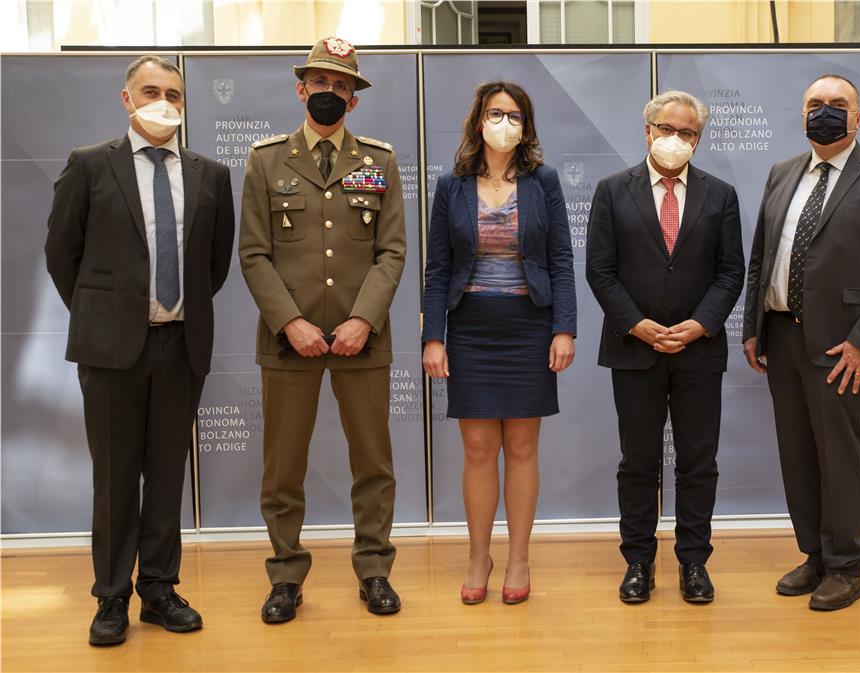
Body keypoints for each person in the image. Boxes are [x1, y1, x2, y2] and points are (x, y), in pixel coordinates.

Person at [45, 55, 235, 645]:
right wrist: (104, 314)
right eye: (151, 91)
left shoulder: (210, 174)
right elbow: (62, 255)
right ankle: (110, 597)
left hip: (181, 345)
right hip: (109, 351)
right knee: (115, 477)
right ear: (127, 99)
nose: (163, 102)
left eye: (174, 94)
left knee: (167, 475)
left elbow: (214, 265)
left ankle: (158, 590)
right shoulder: (88, 165)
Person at [239, 37, 406, 624]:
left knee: (373, 464)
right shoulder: (266, 160)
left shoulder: (378, 161)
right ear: (301, 88)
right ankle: (285, 577)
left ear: (354, 100)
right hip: (289, 343)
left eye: (342, 85)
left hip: (365, 339)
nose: (329, 92)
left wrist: (363, 319)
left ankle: (375, 571)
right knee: (283, 467)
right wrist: (291, 323)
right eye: (320, 82)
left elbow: (391, 252)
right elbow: (254, 254)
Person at [742, 74, 860, 611]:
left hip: (844, 348)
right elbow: (762, 255)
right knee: (797, 455)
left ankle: (846, 567)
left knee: (840, 458)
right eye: (815, 103)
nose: (825, 111)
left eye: (838, 104)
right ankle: (814, 555)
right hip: (782, 337)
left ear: (858, 117)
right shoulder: (782, 172)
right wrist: (752, 326)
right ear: (802, 114)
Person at [586, 90, 744, 605]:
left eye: (688, 132)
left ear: (698, 139)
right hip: (635, 350)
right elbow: (600, 270)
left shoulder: (721, 195)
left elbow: (731, 271)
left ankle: (694, 562)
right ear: (648, 131)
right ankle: (638, 562)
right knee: (638, 462)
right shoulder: (613, 191)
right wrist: (637, 324)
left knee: (698, 462)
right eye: (668, 129)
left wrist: (701, 324)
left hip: (699, 351)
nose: (677, 139)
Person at [422, 81, 576, 606]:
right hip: (470, 329)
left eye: (514, 115)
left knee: (523, 447)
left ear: (526, 126)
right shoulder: (452, 185)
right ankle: (477, 556)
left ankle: (519, 558)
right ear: (477, 121)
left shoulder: (543, 181)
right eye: (494, 113)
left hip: (529, 327)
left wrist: (563, 327)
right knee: (479, 448)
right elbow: (438, 268)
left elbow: (560, 259)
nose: (503, 123)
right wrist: (434, 337)